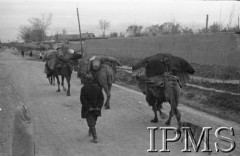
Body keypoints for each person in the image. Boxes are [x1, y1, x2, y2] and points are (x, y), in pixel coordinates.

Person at [80, 74, 104, 143]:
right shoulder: (98, 88)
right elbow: (101, 99)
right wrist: (99, 107)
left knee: (91, 123)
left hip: (88, 109)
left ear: (86, 80)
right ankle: (90, 132)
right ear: (92, 79)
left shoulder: (83, 88)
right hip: (96, 109)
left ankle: (95, 138)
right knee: (93, 121)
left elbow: (82, 100)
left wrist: (88, 107)